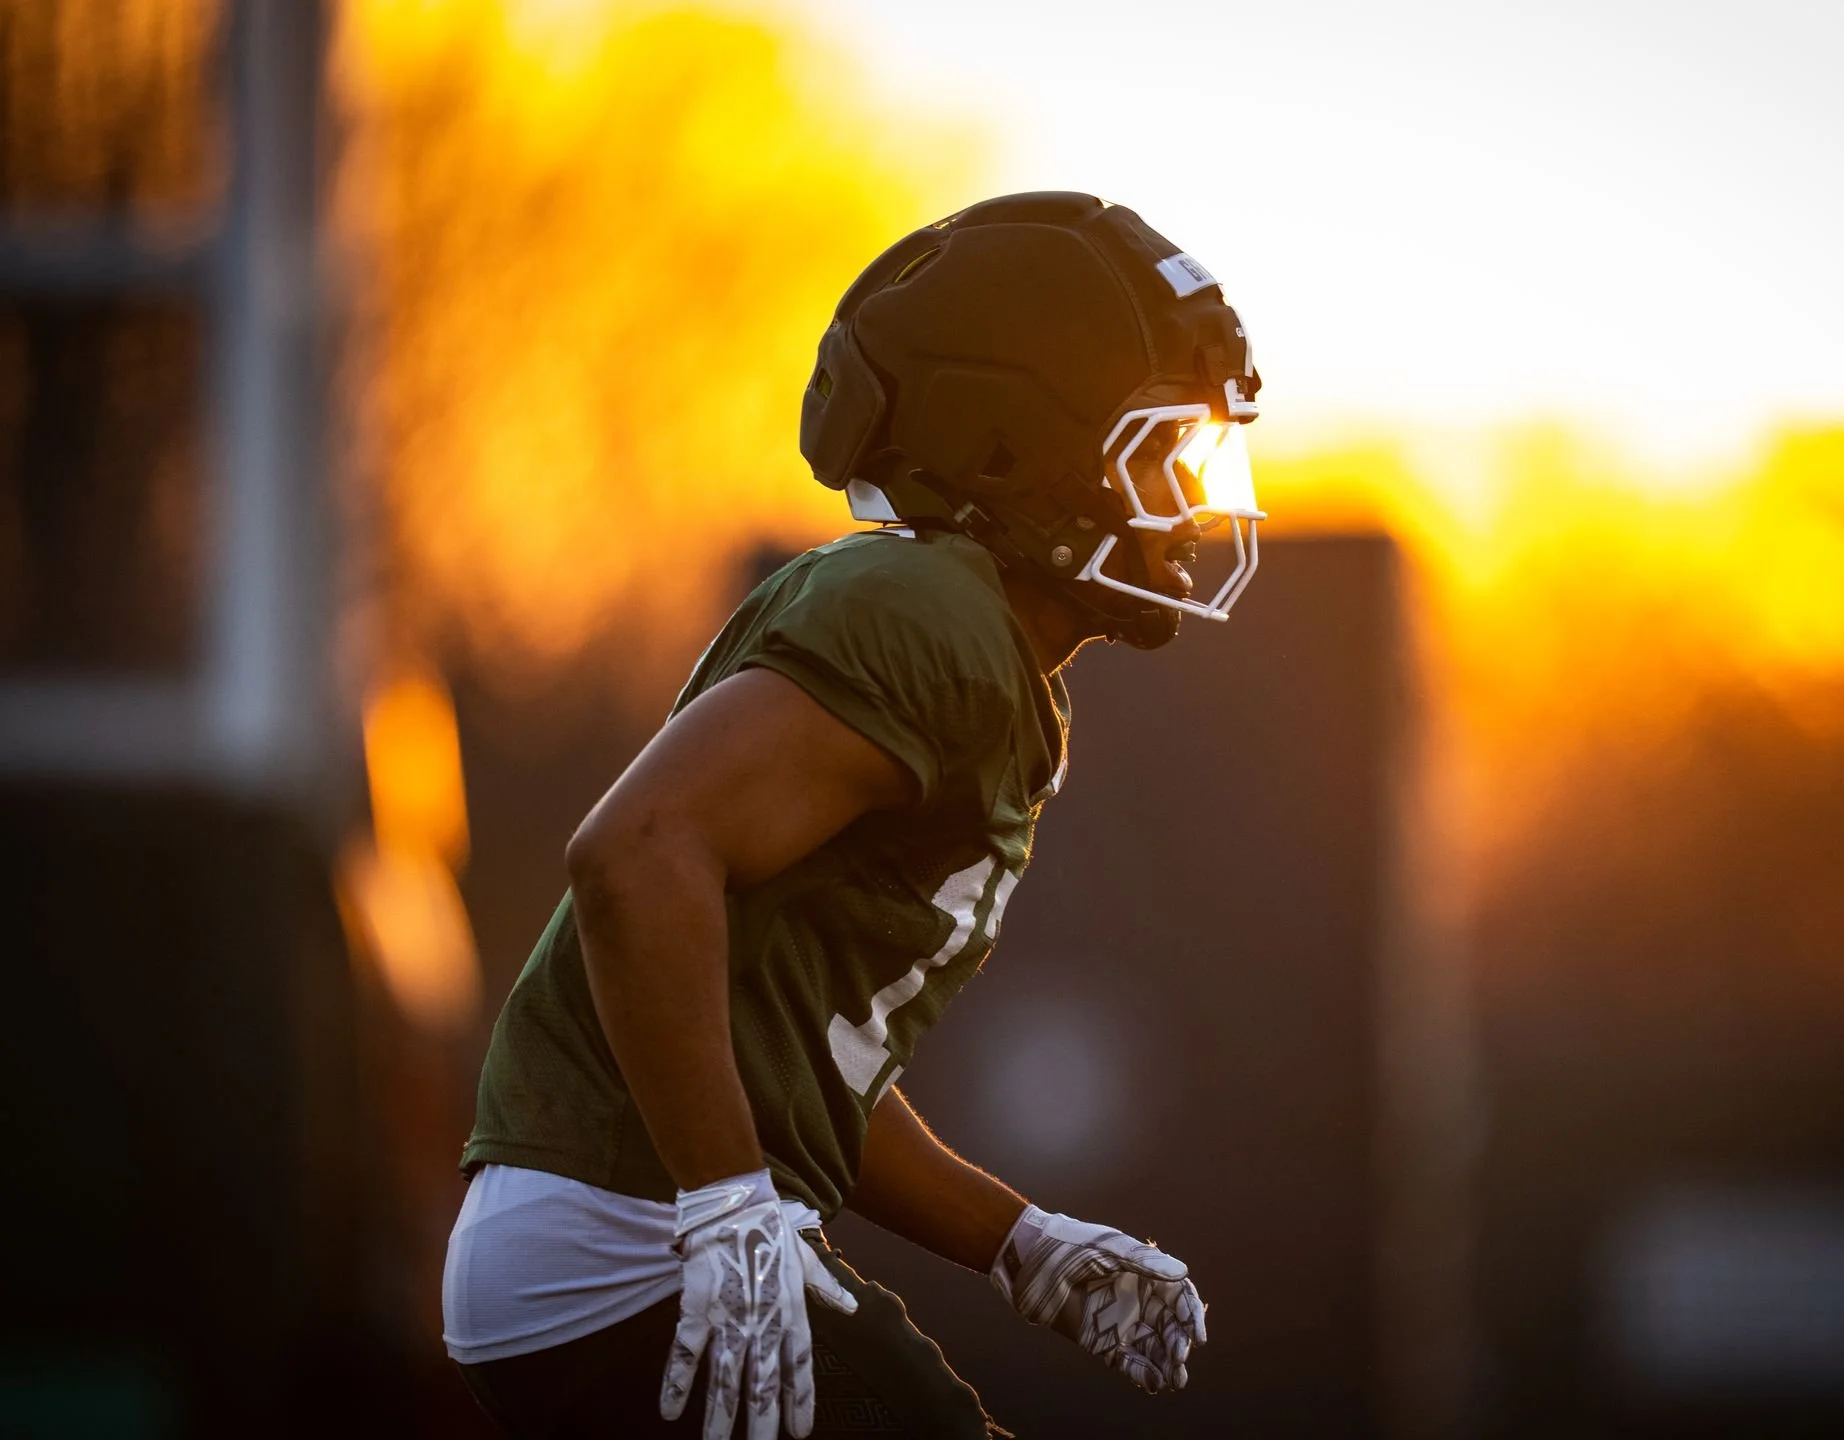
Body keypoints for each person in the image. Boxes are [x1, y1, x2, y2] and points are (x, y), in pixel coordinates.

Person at [441, 191, 1266, 1439]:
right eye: (1160, 454)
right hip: (630, 1235)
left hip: (604, 1234)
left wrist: (1020, 1242)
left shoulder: (960, 642)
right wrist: (725, 1205)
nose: (1193, 503)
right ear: (1014, 446)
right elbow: (635, 855)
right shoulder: (937, 617)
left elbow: (795, 1058)